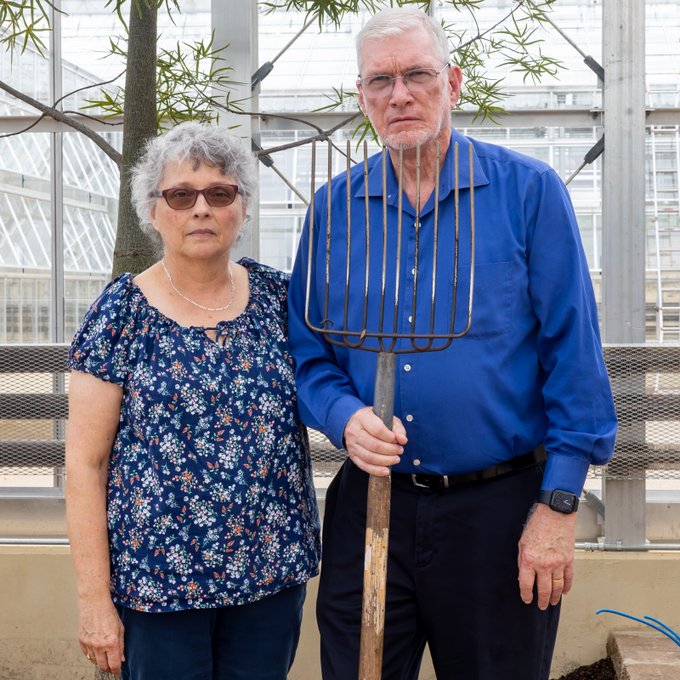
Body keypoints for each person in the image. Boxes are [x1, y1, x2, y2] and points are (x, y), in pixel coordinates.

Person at [288, 8, 616, 680]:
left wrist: (558, 508)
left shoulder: (528, 194)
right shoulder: (334, 209)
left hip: (497, 513)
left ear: (454, 82)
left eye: (417, 74)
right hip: (370, 505)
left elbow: (573, 360)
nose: (399, 94)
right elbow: (309, 354)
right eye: (381, 80)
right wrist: (342, 416)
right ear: (362, 97)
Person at [65, 121, 320, 680]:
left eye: (219, 193)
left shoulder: (283, 298)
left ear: (243, 208)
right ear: (153, 212)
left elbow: (330, 382)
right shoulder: (121, 314)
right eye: (181, 195)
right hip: (158, 585)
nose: (200, 208)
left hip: (268, 576)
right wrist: (93, 601)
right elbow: (84, 464)